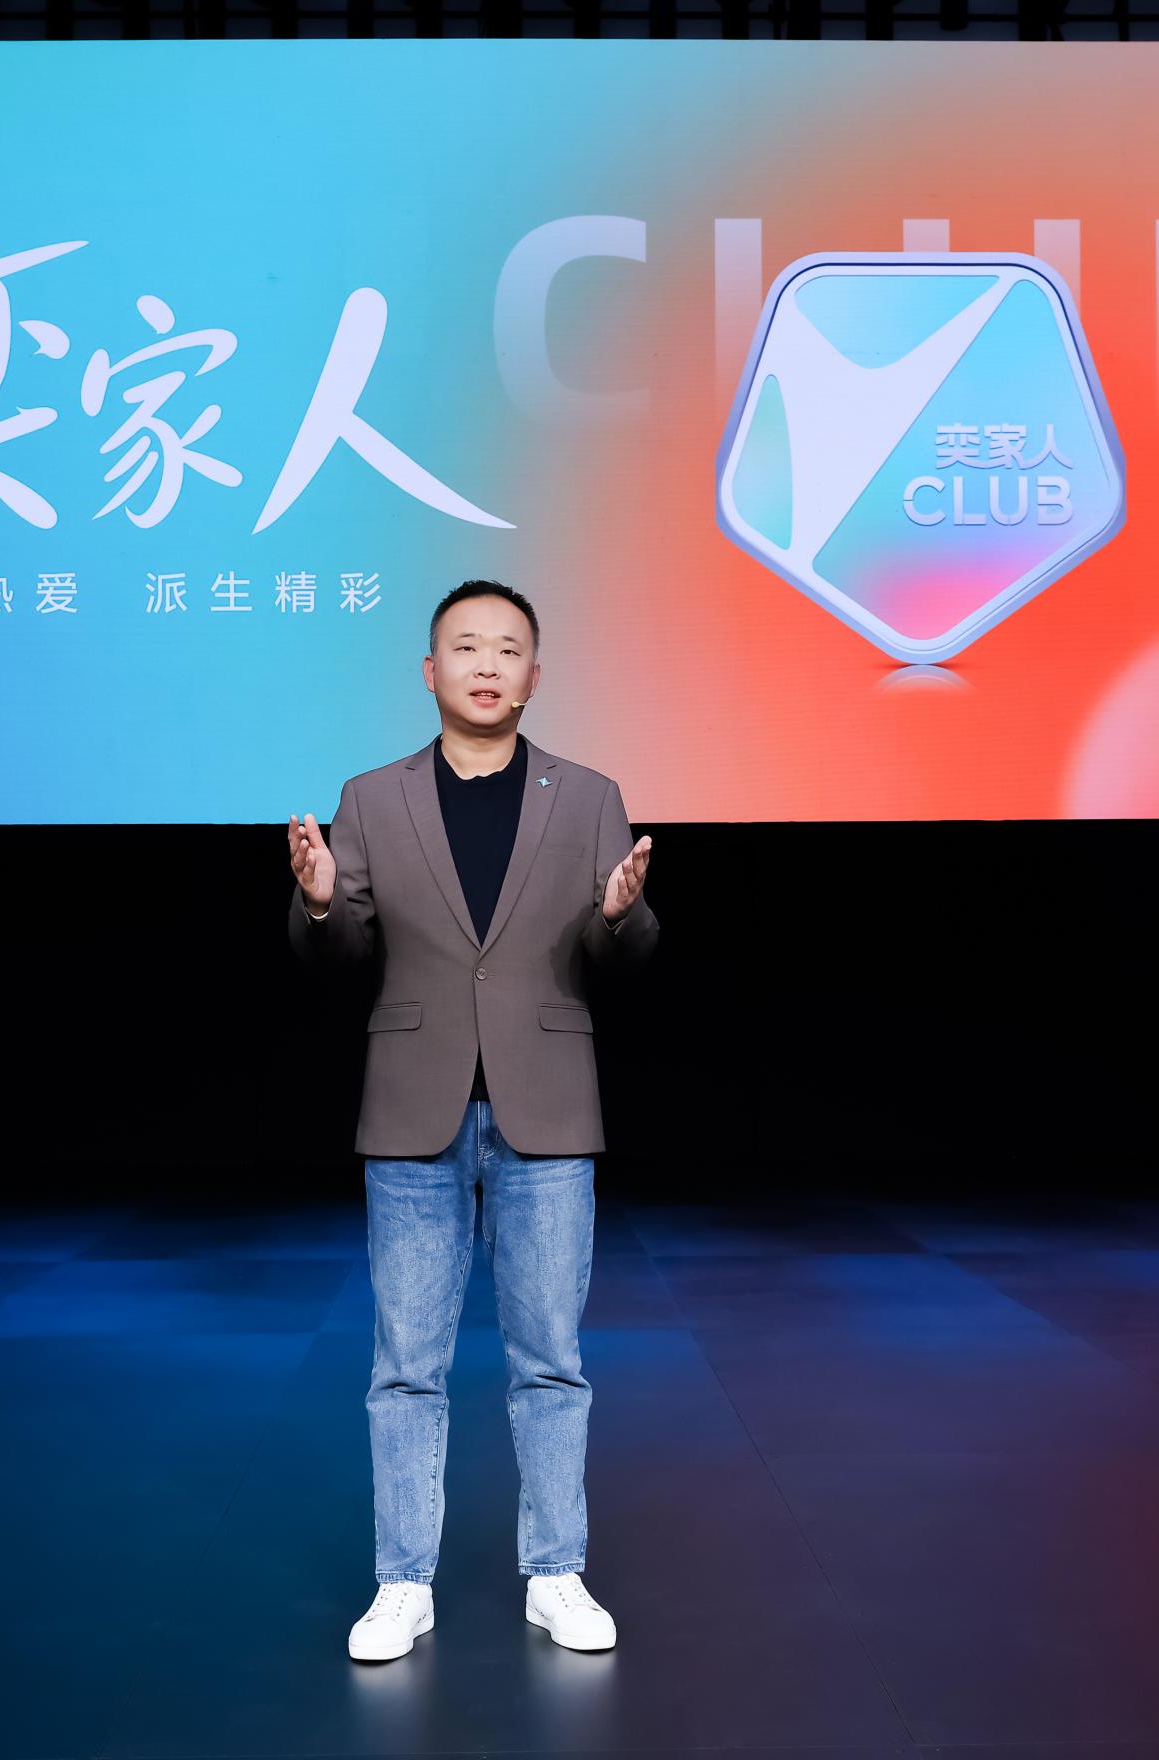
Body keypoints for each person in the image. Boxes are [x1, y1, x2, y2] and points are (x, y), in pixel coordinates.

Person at [286, 578, 659, 1663]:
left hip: (548, 1104)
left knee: (551, 1360)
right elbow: (337, 955)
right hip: (415, 1106)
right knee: (406, 1363)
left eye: (507, 647)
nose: (486, 663)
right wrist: (319, 897)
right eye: (464, 645)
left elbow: (625, 956)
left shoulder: (588, 795)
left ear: (535, 674)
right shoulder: (372, 797)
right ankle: (403, 1582)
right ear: (429, 670)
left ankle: (557, 1571)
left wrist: (621, 916)